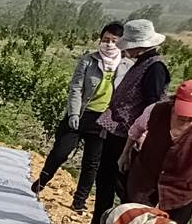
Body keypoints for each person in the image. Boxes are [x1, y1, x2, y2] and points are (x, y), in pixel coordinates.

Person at [91, 17, 170, 224]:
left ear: (139, 46)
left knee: (125, 185)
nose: (126, 50)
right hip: (119, 131)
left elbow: (152, 105)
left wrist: (141, 137)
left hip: (129, 135)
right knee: (106, 177)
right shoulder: (142, 63)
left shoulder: (155, 68)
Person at [31, 22, 123, 209]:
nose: (109, 44)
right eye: (106, 39)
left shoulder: (124, 66)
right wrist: (73, 113)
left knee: (92, 163)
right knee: (60, 152)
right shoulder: (88, 61)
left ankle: (79, 201)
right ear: (100, 39)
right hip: (81, 114)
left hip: (104, 119)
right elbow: (76, 88)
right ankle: (41, 182)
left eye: (114, 41)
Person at [120, 78, 192, 224]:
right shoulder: (156, 110)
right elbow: (136, 130)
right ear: (176, 101)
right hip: (146, 178)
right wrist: (125, 153)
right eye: (184, 110)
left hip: (183, 187)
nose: (187, 117)